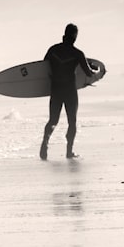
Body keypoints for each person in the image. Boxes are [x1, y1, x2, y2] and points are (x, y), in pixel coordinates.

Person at [40, 23, 101, 160]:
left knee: (53, 120)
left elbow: (43, 68)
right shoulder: (77, 54)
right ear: (74, 38)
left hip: (56, 89)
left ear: (64, 35)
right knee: (72, 122)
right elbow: (89, 73)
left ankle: (44, 145)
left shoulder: (53, 50)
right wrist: (97, 69)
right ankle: (69, 152)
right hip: (69, 91)